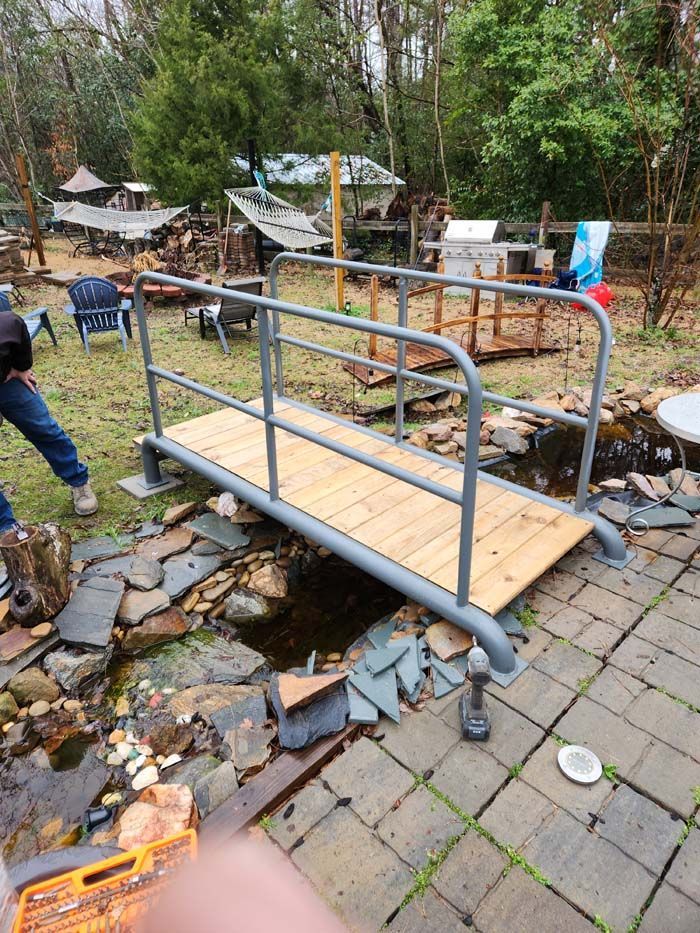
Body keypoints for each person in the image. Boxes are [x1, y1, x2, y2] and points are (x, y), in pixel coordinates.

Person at [0, 308, 97, 532]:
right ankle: (4, 523)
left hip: (6, 382)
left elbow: (15, 326)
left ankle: (78, 482)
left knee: (44, 428)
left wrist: (20, 367)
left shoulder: (6, 324)